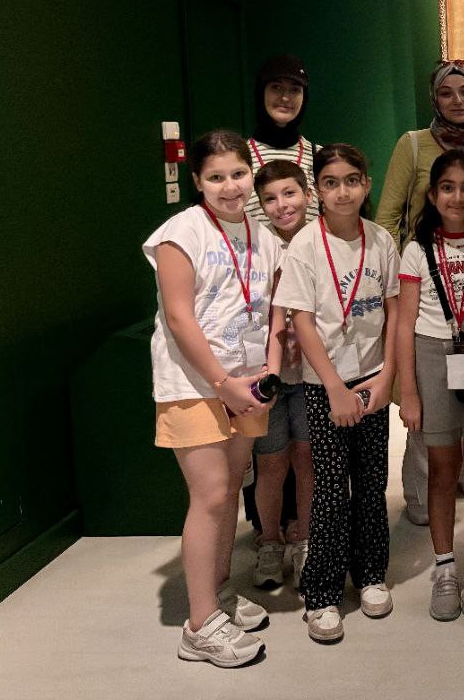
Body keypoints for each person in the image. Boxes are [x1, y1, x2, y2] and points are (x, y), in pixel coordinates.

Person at [143, 129, 283, 667]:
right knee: (211, 495)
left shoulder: (263, 236)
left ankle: (218, 595)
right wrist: (223, 383)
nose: (230, 186)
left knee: (229, 493)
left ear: (252, 174)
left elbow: (273, 312)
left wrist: (267, 372)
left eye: (238, 174)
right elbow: (180, 318)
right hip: (195, 385)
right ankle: (199, 627)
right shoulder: (181, 233)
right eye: (216, 177)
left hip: (246, 384)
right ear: (198, 181)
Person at [272, 144, 399, 644]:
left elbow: (393, 312)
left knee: (372, 481)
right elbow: (302, 320)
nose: (342, 191)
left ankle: (370, 574)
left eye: (351, 180)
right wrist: (333, 389)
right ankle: (321, 593)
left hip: (372, 380)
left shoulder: (381, 240)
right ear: (316, 191)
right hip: (324, 386)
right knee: (328, 489)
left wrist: (387, 377)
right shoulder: (304, 245)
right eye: (330, 182)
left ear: (366, 184)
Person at [377, 62, 464, 526]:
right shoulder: (412, 145)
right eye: (448, 93)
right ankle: (422, 496)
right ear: (435, 98)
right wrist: (409, 274)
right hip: (426, 290)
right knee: (427, 421)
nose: (457, 101)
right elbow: (388, 216)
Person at [396, 150, 464, 621]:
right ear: (432, 194)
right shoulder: (417, 250)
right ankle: (444, 566)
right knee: (441, 469)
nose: (457, 197)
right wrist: (409, 392)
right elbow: (403, 326)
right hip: (432, 358)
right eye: (447, 187)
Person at [250, 160, 315, 592]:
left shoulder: (320, 242)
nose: (281, 205)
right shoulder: (258, 249)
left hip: (310, 373)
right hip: (267, 374)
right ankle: (270, 541)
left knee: (306, 459)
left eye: (289, 193)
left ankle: (306, 540)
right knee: (270, 463)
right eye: (270, 199)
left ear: (307, 194)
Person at [246, 53, 319, 228]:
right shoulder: (238, 158)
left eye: (295, 89)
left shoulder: (319, 157)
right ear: (261, 92)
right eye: (276, 87)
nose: (285, 97)